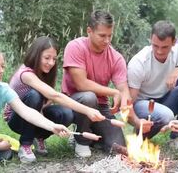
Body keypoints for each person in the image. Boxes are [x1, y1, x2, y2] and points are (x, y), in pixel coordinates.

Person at [61, 10, 151, 158]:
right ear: (89, 31)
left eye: (110, 35)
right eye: (102, 36)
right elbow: (81, 84)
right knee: (89, 97)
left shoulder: (116, 58)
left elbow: (124, 92)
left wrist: (135, 121)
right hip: (73, 102)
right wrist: (114, 92)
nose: (107, 40)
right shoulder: (75, 47)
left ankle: (93, 135)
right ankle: (81, 141)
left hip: (101, 107)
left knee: (118, 148)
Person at [4, 36, 105, 163]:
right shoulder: (26, 74)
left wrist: (44, 116)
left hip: (35, 114)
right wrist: (88, 110)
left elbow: (49, 100)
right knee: (34, 95)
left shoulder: (45, 73)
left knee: (66, 114)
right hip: (16, 118)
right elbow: (54, 96)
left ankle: (39, 137)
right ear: (36, 55)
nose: (51, 63)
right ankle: (25, 145)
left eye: (54, 59)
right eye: (47, 58)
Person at [0, 46, 69, 171]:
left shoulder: (2, 89)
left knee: (6, 153)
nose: (1, 71)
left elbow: (26, 111)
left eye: (3, 66)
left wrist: (52, 126)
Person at [127, 20, 178, 151]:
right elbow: (128, 104)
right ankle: (138, 136)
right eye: (155, 46)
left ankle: (177, 139)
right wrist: (136, 122)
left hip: (166, 99)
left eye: (164, 47)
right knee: (165, 115)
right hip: (142, 104)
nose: (159, 51)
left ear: (174, 42)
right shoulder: (139, 63)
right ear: (150, 40)